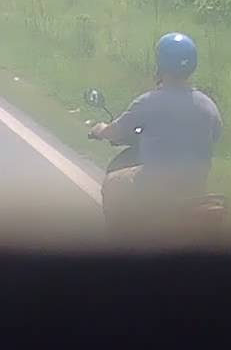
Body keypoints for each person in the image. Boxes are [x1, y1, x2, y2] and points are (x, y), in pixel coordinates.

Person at [90, 32, 222, 233]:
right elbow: (216, 135)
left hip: (155, 183)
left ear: (161, 64)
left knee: (112, 184)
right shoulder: (208, 105)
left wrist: (99, 129)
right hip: (195, 186)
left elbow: (115, 132)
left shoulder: (148, 102)